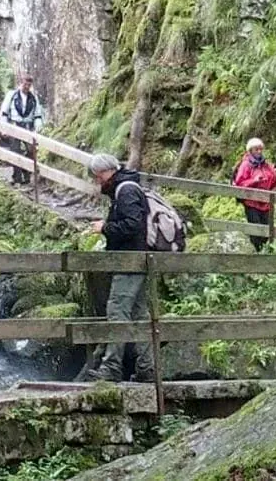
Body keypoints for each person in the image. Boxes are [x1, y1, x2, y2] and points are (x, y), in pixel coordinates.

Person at [85, 153, 155, 382]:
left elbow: (132, 225)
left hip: (130, 261)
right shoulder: (128, 188)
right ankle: (147, 369)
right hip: (135, 260)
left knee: (117, 310)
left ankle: (112, 367)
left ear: (105, 172)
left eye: (97, 177)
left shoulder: (125, 190)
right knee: (138, 314)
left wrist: (105, 227)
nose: (97, 182)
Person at [232, 138, 276, 252]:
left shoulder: (266, 165)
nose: (259, 151)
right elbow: (239, 184)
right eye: (256, 149)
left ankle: (265, 253)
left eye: (260, 149)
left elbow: (273, 183)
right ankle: (255, 253)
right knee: (255, 230)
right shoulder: (245, 165)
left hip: (266, 203)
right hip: (252, 203)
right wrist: (254, 181)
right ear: (250, 151)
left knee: (267, 231)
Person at [0, 72, 44, 185]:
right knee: (15, 150)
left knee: (31, 150)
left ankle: (26, 173)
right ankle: (17, 177)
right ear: (20, 83)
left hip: (27, 126)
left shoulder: (33, 98)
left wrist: (38, 127)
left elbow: (37, 114)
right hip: (14, 125)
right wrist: (4, 128)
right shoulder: (12, 95)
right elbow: (4, 112)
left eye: (29, 85)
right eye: (25, 84)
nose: (27, 87)